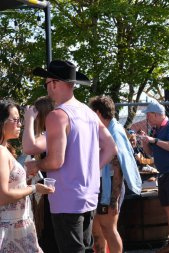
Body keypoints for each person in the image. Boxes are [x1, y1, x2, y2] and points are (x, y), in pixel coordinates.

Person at [25, 60, 117, 253]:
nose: (47, 88)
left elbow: (55, 161)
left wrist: (36, 164)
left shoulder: (58, 115)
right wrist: (93, 168)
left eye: (47, 83)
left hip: (67, 197)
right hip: (89, 193)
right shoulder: (89, 113)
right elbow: (110, 147)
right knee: (84, 247)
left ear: (54, 83)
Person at [88, 95, 142, 253]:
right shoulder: (105, 129)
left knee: (109, 229)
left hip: (110, 186)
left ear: (97, 113)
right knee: (96, 230)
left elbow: (119, 168)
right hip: (101, 185)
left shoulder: (115, 131)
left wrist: (113, 201)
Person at [0, 98, 54, 252]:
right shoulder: (1, 152)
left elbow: (9, 185)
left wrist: (26, 177)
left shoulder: (5, 149)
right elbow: (3, 195)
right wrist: (34, 188)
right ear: (2, 122)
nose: (20, 124)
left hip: (18, 224)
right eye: (15, 120)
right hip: (9, 228)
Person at [140, 102, 169, 253]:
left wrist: (154, 140)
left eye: (149, 115)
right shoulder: (156, 129)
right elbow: (151, 153)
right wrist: (145, 141)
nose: (147, 119)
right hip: (164, 173)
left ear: (156, 114)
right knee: (168, 209)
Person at [22, 95, 59, 252]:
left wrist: (29, 120)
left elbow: (28, 147)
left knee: (52, 239)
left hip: (52, 196)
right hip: (49, 196)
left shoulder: (49, 135)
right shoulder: (51, 134)